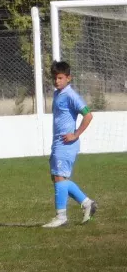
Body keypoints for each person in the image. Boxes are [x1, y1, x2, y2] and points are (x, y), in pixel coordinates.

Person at [44, 61, 97, 229]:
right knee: (57, 177)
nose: (57, 81)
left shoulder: (70, 95)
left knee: (60, 177)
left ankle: (61, 217)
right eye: (55, 78)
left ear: (68, 78)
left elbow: (88, 115)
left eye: (60, 78)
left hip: (67, 144)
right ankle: (87, 203)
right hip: (58, 143)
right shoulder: (57, 94)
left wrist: (75, 134)